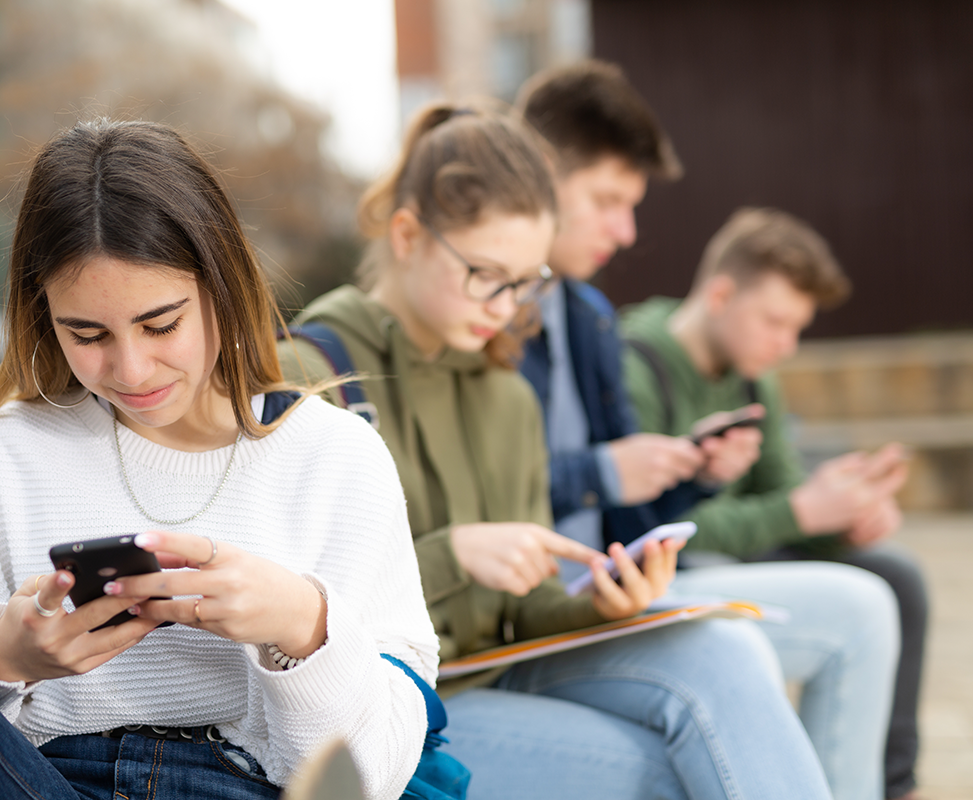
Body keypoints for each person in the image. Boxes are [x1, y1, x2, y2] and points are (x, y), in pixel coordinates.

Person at [0, 119, 440, 800]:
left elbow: (373, 780)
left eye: (161, 324)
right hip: (38, 781)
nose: (130, 367)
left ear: (222, 283)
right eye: (86, 333)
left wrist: (301, 623)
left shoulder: (336, 458)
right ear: (44, 316)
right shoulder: (9, 451)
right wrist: (11, 655)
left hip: (240, 785)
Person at [278, 101, 834, 800]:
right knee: (667, 771)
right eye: (487, 274)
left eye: (527, 282)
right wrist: (455, 553)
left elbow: (528, 607)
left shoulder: (505, 392)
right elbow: (281, 615)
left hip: (503, 659)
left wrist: (600, 602)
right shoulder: (309, 375)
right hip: (396, 704)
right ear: (408, 235)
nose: (507, 306)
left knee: (727, 651)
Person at [515, 61, 901, 800]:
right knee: (773, 641)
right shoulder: (503, 322)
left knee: (879, 596)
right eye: (607, 201)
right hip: (538, 612)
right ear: (535, 174)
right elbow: (497, 496)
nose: (626, 232)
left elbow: (628, 517)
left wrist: (691, 474)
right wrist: (605, 473)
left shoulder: (589, 318)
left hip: (612, 587)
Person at [619, 206, 929, 800]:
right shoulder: (635, 365)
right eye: (774, 322)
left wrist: (843, 513)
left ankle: (895, 786)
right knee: (721, 575)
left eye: (796, 328)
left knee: (897, 575)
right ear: (721, 293)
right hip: (671, 569)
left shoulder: (755, 377)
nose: (786, 344)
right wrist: (800, 513)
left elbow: (785, 496)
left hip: (744, 549)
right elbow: (649, 528)